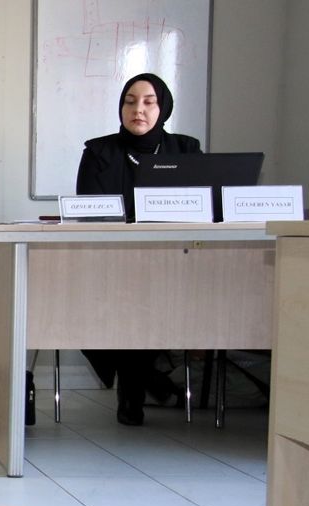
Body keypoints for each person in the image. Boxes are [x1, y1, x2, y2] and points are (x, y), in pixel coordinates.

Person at [75, 72, 198, 425]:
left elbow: (201, 206)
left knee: (149, 298)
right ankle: (142, 378)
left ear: (164, 108)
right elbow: (91, 211)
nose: (137, 110)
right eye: (129, 102)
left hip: (171, 259)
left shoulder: (186, 150)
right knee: (102, 300)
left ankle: (136, 383)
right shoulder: (99, 152)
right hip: (111, 259)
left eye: (148, 102)